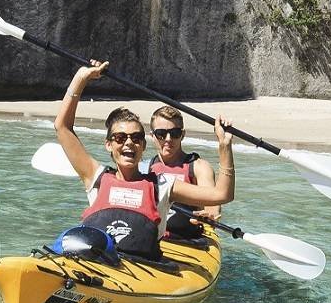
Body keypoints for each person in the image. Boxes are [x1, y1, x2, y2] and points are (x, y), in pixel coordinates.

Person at [51, 62, 234, 259]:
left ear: (144, 146)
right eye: (120, 138)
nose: (129, 143)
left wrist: (225, 147)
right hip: (99, 261)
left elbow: (222, 194)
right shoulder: (95, 176)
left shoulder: (163, 185)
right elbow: (62, 127)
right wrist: (81, 78)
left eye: (136, 138)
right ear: (108, 145)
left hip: (143, 269)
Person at [144, 104, 221, 237]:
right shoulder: (147, 167)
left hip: (188, 238)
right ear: (152, 136)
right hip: (154, 237)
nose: (168, 139)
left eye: (174, 134)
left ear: (183, 135)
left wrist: (209, 215)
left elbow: (213, 207)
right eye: (161, 134)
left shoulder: (199, 167)